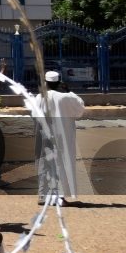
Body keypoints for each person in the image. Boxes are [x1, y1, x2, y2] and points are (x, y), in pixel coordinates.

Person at [34, 71, 86, 203]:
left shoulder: (39, 97)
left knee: (45, 163)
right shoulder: (66, 97)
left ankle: (43, 195)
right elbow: (80, 108)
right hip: (61, 137)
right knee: (61, 163)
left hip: (44, 135)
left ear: (45, 83)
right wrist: (69, 91)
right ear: (59, 83)